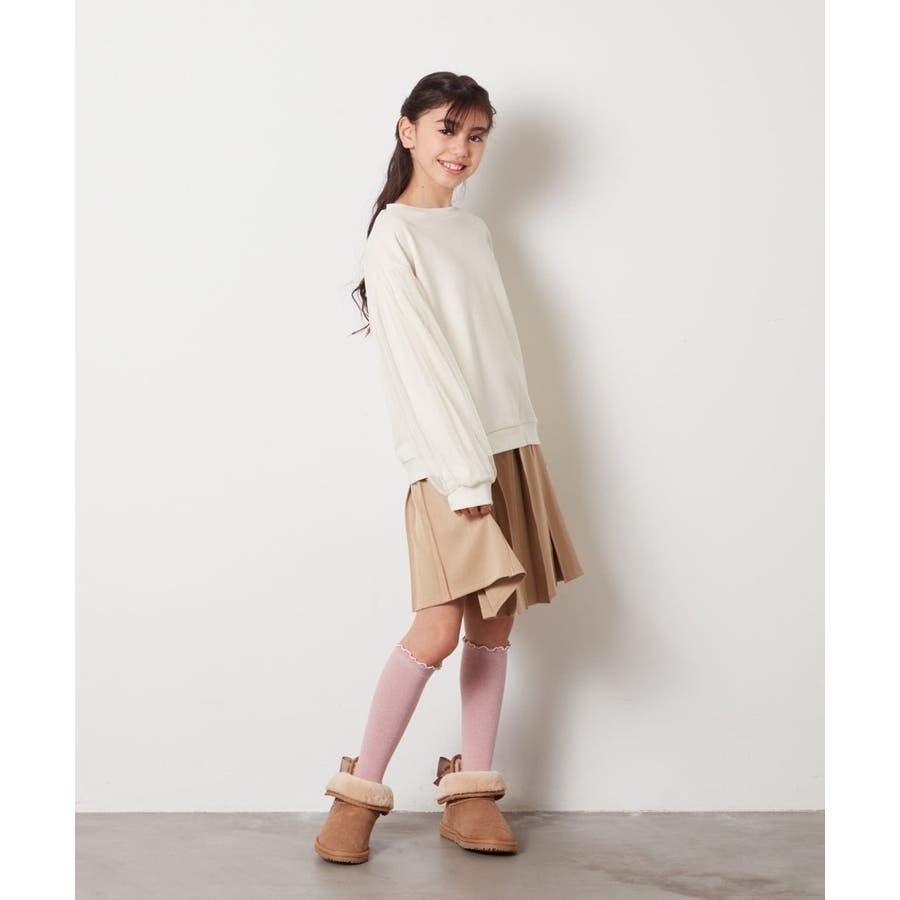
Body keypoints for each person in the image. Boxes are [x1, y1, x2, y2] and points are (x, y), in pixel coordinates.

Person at [314, 71, 584, 865]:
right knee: (436, 629)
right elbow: (422, 370)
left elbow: (494, 351)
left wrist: (518, 449)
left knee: (494, 626)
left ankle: (471, 795)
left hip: (509, 444)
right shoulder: (393, 234)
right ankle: (357, 795)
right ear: (408, 132)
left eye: (476, 135)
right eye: (446, 129)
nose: (461, 148)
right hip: (450, 458)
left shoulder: (473, 231)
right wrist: (465, 476)